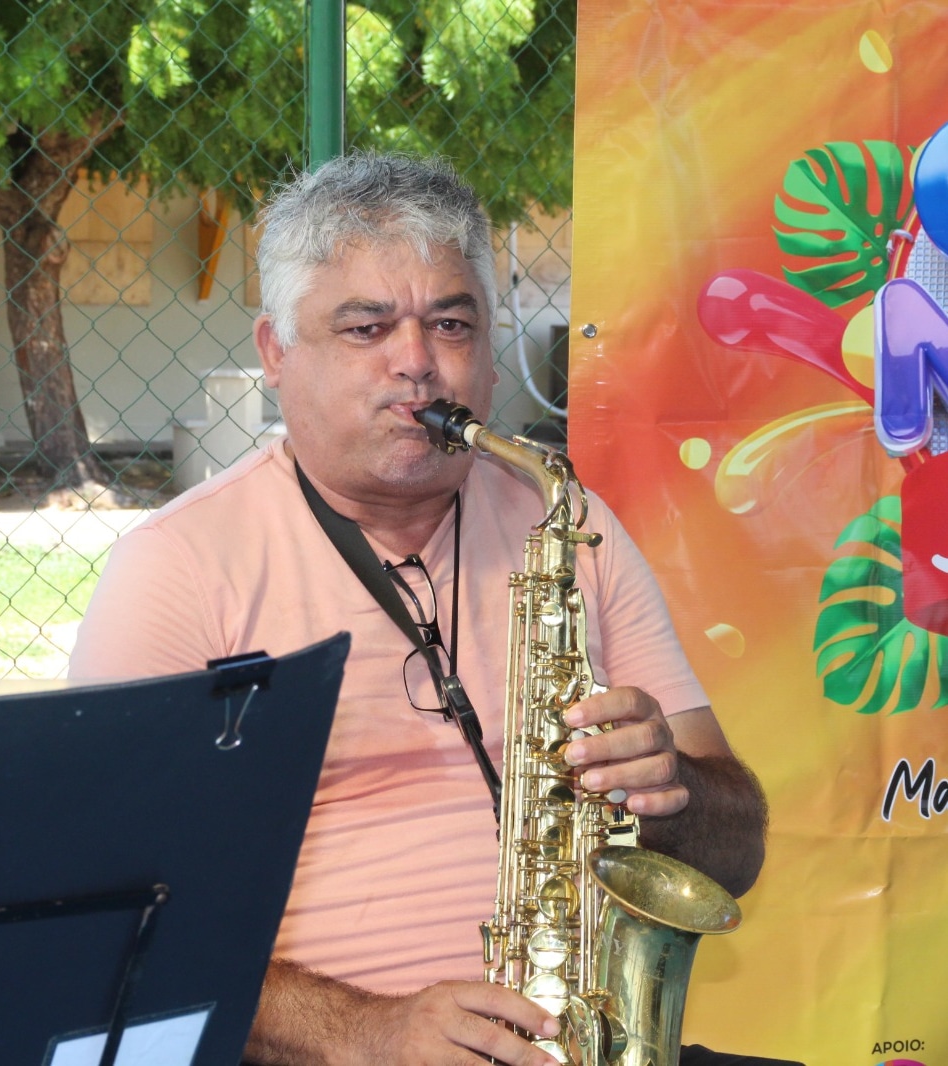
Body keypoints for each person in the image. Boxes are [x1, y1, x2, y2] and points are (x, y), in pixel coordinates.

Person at [70, 151, 799, 1066]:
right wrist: (368, 1031)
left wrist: (670, 790)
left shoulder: (567, 523)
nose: (417, 363)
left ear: (488, 348)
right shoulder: (175, 568)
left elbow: (735, 857)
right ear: (275, 352)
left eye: (451, 324)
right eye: (366, 328)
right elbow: (109, 927)